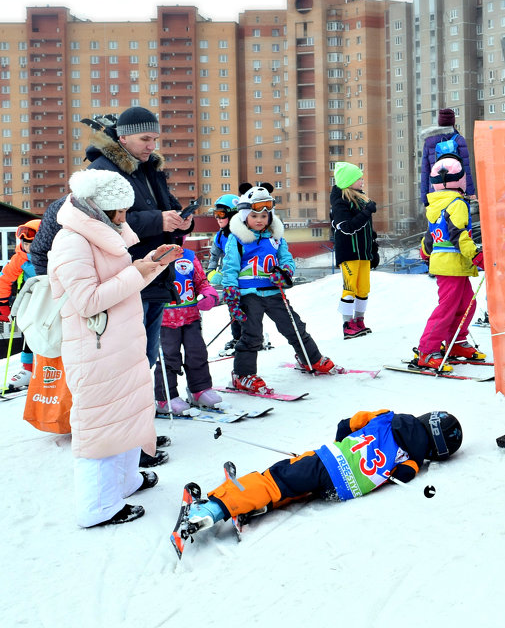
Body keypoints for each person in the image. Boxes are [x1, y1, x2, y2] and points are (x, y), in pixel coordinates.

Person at [48, 169, 181, 527]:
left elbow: (121, 285)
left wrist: (150, 266)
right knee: (100, 426)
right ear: (93, 207)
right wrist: (137, 272)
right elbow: (88, 300)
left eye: (125, 211)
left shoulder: (103, 233)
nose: (123, 218)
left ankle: (125, 481)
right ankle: (95, 508)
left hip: (118, 343)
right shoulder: (72, 241)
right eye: (116, 212)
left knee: (127, 414)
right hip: (95, 348)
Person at [176, 410, 462, 545]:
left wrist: (343, 447)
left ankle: (212, 509)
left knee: (276, 478)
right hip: (341, 489)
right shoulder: (412, 460)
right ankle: (258, 506)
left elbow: (345, 425)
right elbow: (403, 475)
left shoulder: (387, 416)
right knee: (298, 488)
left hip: (329, 461)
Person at [84, 107, 193, 395]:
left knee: (145, 358)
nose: (151, 146)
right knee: (126, 359)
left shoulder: (150, 168)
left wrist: (180, 221)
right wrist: (158, 219)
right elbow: (99, 222)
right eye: (145, 138)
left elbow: (165, 209)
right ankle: (123, 428)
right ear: (123, 138)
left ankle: (139, 423)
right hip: (126, 277)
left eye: (155, 139)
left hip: (156, 274)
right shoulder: (101, 171)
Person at [221, 183, 336, 393]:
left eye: (264, 216)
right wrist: (231, 295)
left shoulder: (276, 238)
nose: (259, 220)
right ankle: (243, 375)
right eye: (254, 216)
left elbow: (287, 260)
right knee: (252, 335)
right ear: (245, 216)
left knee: (294, 327)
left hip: (274, 292)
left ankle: (311, 359)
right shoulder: (237, 240)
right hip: (249, 295)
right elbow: (229, 268)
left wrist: (283, 272)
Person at [414, 154, 483, 370]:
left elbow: (431, 233)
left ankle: (456, 342)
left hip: (452, 265)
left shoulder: (436, 203)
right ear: (462, 179)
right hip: (452, 265)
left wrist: (425, 251)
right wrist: (476, 255)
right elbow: (459, 235)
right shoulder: (457, 203)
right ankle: (427, 349)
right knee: (447, 308)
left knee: (467, 304)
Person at [156, 248, 222, 414]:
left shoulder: (189, 256)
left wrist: (209, 294)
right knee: (169, 357)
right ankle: (165, 398)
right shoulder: (154, 254)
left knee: (197, 353)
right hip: (165, 319)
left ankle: (199, 390)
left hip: (191, 316)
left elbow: (201, 281)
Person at [330, 161, 378, 339]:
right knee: (350, 288)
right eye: (358, 178)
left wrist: (373, 249)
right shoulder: (341, 202)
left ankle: (359, 320)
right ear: (348, 181)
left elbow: (367, 230)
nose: (362, 181)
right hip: (349, 252)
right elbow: (347, 227)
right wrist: (366, 213)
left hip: (363, 253)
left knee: (363, 288)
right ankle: (347, 323)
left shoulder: (360, 199)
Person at [0, 219, 40, 390]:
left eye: (31, 242)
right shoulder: (20, 258)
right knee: (28, 332)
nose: (27, 246)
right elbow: (5, 278)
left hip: (51, 300)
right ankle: (28, 370)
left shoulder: (53, 254)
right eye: (24, 242)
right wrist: (2, 303)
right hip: (30, 299)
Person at [205, 193, 242, 354]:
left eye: (222, 214)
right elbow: (215, 254)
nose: (218, 219)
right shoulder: (220, 236)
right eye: (216, 215)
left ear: (233, 214)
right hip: (230, 280)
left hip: (244, 278)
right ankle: (237, 337)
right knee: (233, 308)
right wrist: (212, 271)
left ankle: (251, 338)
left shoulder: (242, 234)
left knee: (247, 310)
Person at [420, 109, 475, 200]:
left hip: (435, 192)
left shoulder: (429, 141)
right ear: (453, 122)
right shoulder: (459, 140)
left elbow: (425, 172)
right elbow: (466, 170)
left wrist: (424, 199)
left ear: (439, 122)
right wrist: (470, 193)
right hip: (456, 191)